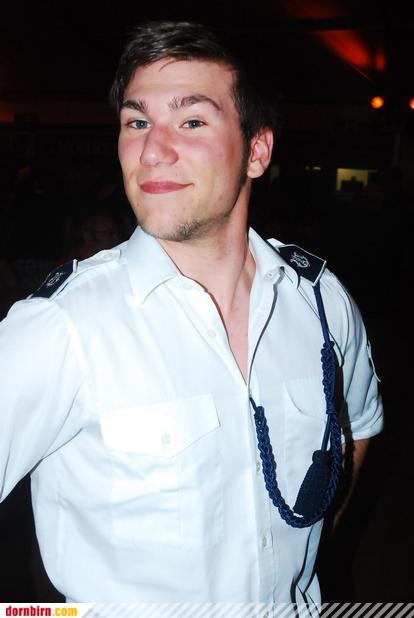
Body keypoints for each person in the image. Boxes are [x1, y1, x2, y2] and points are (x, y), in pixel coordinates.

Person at [0, 21, 383, 607]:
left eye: (192, 121)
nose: (152, 150)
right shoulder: (61, 328)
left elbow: (358, 426)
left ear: (256, 151)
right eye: (137, 122)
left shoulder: (322, 302)